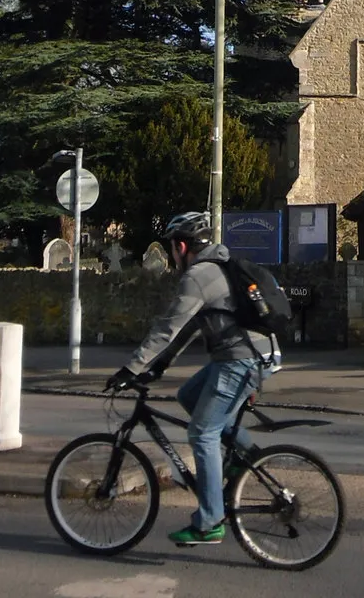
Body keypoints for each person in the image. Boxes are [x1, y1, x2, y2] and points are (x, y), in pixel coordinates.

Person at [107, 211, 270, 547]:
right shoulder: (219, 267)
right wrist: (160, 365)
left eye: (171, 247)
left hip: (241, 360)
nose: (171, 254)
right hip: (250, 355)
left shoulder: (198, 276)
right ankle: (247, 456)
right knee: (190, 396)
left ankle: (210, 522)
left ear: (181, 245)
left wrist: (132, 369)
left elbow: (168, 327)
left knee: (202, 432)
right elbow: (191, 327)